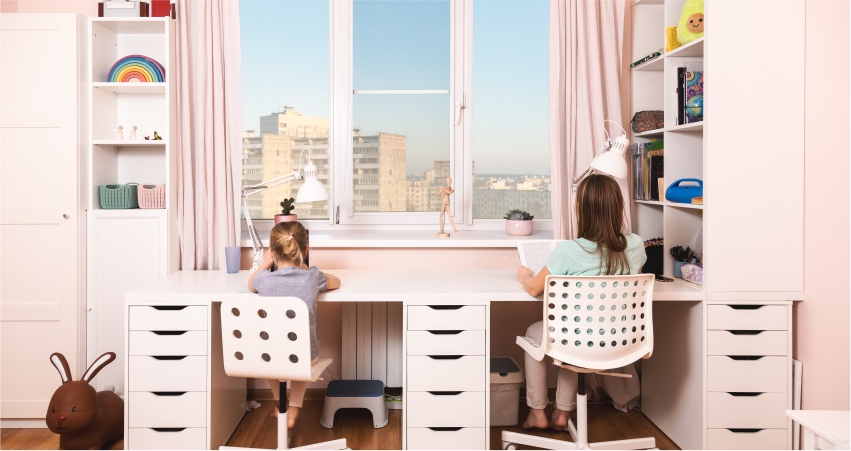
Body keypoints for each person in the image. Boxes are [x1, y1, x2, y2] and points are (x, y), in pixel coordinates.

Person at [516, 174, 647, 430]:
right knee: (575, 336)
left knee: (541, 334)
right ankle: (562, 415)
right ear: (617, 207)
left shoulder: (569, 250)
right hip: (620, 336)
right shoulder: (636, 244)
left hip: (578, 337)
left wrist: (524, 274)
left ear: (582, 209)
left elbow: (533, 289)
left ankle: (537, 411)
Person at [247, 220, 341, 429]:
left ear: (272, 251)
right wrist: (310, 269)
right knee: (301, 350)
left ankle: (281, 402)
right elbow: (336, 282)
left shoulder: (263, 279)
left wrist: (265, 264)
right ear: (305, 249)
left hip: (269, 356)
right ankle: (295, 407)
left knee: (268, 356)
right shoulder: (311, 277)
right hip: (304, 356)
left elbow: (250, 284)